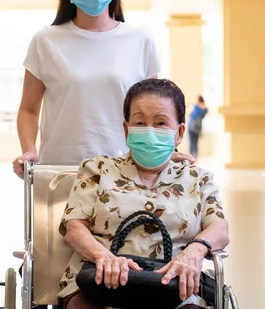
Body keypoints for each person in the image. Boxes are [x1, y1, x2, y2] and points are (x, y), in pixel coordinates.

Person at [13, 0, 193, 177]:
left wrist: (165, 150)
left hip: (126, 174)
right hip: (61, 172)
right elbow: (29, 109)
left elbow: (153, 112)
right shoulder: (46, 41)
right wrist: (29, 150)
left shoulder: (140, 41)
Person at [57, 79, 229, 309]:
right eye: (140, 122)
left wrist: (194, 252)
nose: (149, 130)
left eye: (160, 123)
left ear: (178, 133)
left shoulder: (198, 178)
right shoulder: (97, 169)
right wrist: (104, 257)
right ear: (127, 129)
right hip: (98, 283)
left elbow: (220, 228)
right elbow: (74, 227)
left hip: (174, 288)